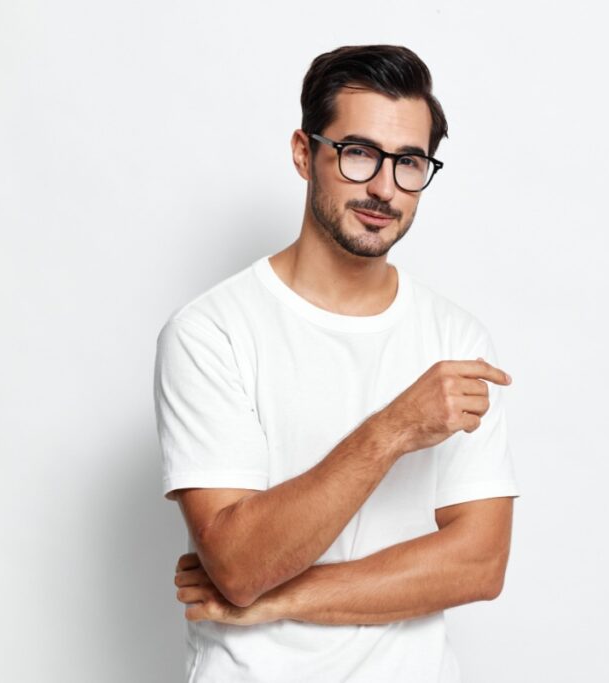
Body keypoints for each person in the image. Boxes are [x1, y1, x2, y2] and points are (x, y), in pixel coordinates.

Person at [152, 44, 521, 683]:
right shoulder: (211, 333)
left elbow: (479, 565)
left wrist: (283, 598)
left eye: (409, 163)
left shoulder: (456, 338)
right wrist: (395, 428)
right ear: (304, 153)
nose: (384, 187)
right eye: (358, 154)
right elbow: (238, 565)